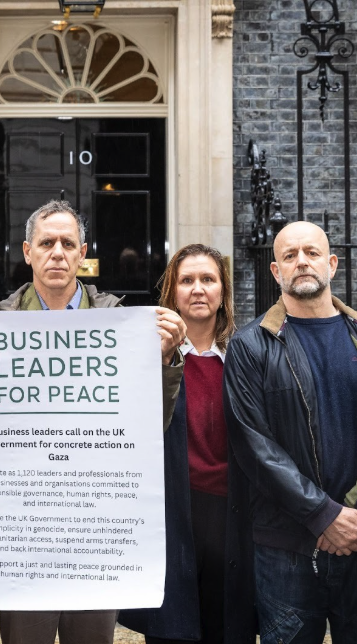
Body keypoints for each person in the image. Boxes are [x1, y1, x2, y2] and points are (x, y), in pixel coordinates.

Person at [0, 199, 187, 644]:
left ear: (83, 253)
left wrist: (162, 362)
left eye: (67, 243)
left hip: (95, 525)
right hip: (24, 527)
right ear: (27, 252)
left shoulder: (123, 326)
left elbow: (150, 426)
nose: (57, 253)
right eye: (46, 243)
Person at [222, 220, 357, 643]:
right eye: (290, 255)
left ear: (331, 264)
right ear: (275, 271)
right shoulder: (250, 346)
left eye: (312, 252)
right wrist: (324, 516)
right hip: (286, 548)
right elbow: (253, 446)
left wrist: (355, 516)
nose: (301, 261)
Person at [118, 244, 239, 644]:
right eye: (187, 280)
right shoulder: (145, 355)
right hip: (171, 515)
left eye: (208, 279)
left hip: (230, 516)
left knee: (225, 629)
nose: (198, 289)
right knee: (172, 630)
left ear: (223, 290)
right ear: (172, 292)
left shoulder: (244, 355)